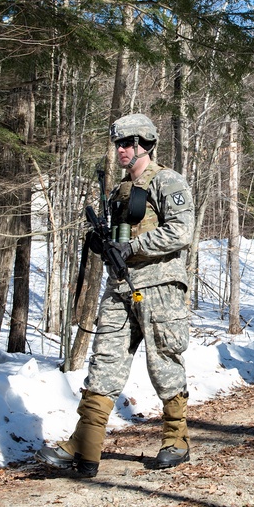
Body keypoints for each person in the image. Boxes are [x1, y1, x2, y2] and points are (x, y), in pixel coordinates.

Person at [37, 113, 195, 476]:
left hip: (159, 287)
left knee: (164, 362)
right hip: (120, 288)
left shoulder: (167, 181)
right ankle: (85, 447)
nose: (121, 150)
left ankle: (176, 439)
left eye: (128, 143)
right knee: (104, 363)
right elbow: (115, 239)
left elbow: (181, 231)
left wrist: (133, 246)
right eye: (118, 144)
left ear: (145, 144)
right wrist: (101, 243)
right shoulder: (120, 189)